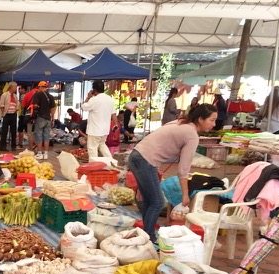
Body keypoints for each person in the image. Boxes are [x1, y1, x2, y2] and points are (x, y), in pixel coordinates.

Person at [128, 104, 217, 242]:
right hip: (145, 160)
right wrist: (185, 196)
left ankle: (145, 235)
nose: (214, 124)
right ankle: (149, 238)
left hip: (136, 156)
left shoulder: (181, 122)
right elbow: (183, 170)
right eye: (211, 120)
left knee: (149, 201)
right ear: (200, 119)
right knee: (157, 202)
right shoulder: (192, 135)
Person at [81, 80, 114, 161]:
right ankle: (111, 162)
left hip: (94, 130)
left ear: (94, 90)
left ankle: (93, 167)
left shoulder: (94, 99)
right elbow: (113, 114)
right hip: (105, 130)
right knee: (102, 145)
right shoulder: (109, 99)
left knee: (92, 149)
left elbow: (84, 107)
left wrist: (88, 97)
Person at [32, 81, 56, 160]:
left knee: (38, 135)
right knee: (46, 136)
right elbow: (53, 109)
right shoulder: (51, 96)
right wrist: (53, 118)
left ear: (40, 87)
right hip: (48, 119)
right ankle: (46, 154)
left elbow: (35, 105)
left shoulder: (37, 94)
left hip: (41, 117)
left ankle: (39, 153)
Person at [0, 82, 19, 152]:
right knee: (4, 131)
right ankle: (3, 146)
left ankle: (13, 146)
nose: (16, 88)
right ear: (11, 87)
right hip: (6, 114)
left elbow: (17, 104)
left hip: (13, 114)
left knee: (13, 131)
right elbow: (1, 105)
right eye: (15, 87)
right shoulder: (5, 95)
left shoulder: (15, 96)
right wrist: (3, 113)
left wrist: (16, 109)